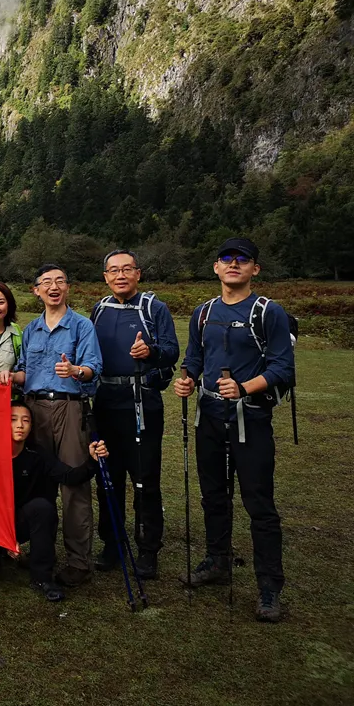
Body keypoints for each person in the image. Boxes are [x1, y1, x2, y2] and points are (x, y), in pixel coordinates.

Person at [173, 237, 293, 622]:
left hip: (251, 418)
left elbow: (282, 368)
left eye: (243, 260)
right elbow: (194, 356)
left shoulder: (268, 312)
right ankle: (217, 560)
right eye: (226, 258)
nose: (234, 264)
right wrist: (187, 378)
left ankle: (269, 587)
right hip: (208, 415)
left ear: (255, 269)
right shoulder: (203, 313)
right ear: (216, 267)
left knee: (259, 504)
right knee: (213, 495)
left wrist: (244, 387)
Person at [4, 264, 102, 588]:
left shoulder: (82, 326)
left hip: (69, 408)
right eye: (46, 282)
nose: (53, 286)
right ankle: (41, 551)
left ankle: (78, 562)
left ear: (68, 288)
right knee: (39, 483)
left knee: (73, 485)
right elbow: (23, 372)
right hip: (33, 409)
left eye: (60, 281)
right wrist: (5, 378)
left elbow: (93, 369)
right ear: (36, 290)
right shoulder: (30, 329)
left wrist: (74, 370)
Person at [0, 402, 108, 601]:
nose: (20, 425)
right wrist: (2, 536)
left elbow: (69, 476)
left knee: (42, 508)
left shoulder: (37, 454)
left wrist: (92, 461)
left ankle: (42, 577)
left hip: (22, 519)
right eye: (13, 420)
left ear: (32, 427)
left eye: (26, 421)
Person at [90, 250, 179, 580]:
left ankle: (147, 549)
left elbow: (172, 350)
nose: (120, 275)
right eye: (113, 270)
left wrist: (150, 352)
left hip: (142, 403)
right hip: (104, 403)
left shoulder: (153, 308)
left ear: (138, 274)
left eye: (127, 269)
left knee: (145, 479)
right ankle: (112, 543)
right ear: (106, 277)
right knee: (107, 478)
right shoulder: (99, 309)